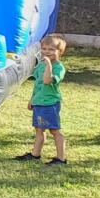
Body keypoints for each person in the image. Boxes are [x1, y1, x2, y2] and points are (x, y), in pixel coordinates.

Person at [16, 34, 67, 166]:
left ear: (60, 52)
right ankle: (35, 154)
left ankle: (61, 159)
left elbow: (47, 81)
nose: (46, 52)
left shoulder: (59, 68)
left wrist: (49, 64)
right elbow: (38, 84)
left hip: (50, 104)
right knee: (39, 129)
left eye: (51, 49)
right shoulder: (40, 66)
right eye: (44, 49)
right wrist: (32, 99)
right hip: (39, 103)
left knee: (54, 131)